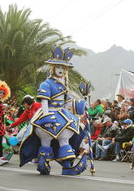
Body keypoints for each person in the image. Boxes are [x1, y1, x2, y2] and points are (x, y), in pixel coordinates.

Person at [18, 45, 91, 175]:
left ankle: (67, 166)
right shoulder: (46, 84)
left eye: (63, 67)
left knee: (67, 137)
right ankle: (43, 162)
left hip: (62, 113)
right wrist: (46, 117)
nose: (61, 70)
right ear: (53, 68)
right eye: (58, 67)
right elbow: (44, 102)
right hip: (49, 112)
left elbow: (68, 104)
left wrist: (81, 104)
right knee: (45, 140)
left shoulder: (64, 85)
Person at [0, 80, 11, 164]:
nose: (1, 94)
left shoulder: (0, 102)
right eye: (0, 92)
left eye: (3, 93)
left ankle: (0, 157)